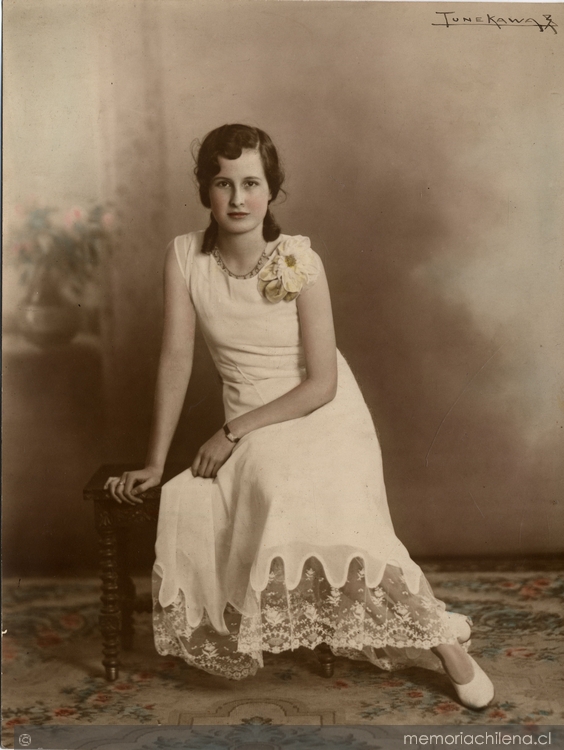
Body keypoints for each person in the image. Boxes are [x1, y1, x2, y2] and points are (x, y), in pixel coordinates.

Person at [105, 124, 494, 709]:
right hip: (255, 424)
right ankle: (430, 616)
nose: (238, 199)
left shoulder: (299, 260)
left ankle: (442, 645)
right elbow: (176, 358)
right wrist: (156, 462)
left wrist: (231, 431)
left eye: (252, 183)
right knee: (272, 479)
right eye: (222, 183)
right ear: (204, 192)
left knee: (309, 489)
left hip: (321, 413)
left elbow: (322, 383)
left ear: (272, 191)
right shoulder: (184, 257)